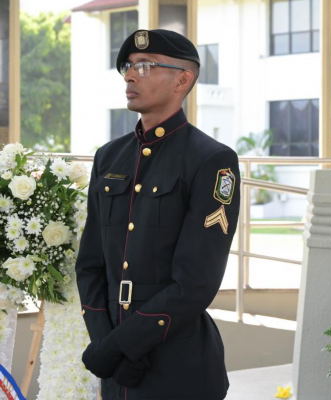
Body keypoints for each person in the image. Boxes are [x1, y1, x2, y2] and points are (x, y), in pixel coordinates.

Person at [75, 29, 240, 400]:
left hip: (179, 366)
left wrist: (121, 345)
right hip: (116, 370)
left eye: (146, 66)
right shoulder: (109, 157)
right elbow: (90, 264)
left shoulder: (212, 160)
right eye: (128, 67)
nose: (130, 76)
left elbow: (195, 282)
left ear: (182, 80)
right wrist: (105, 346)